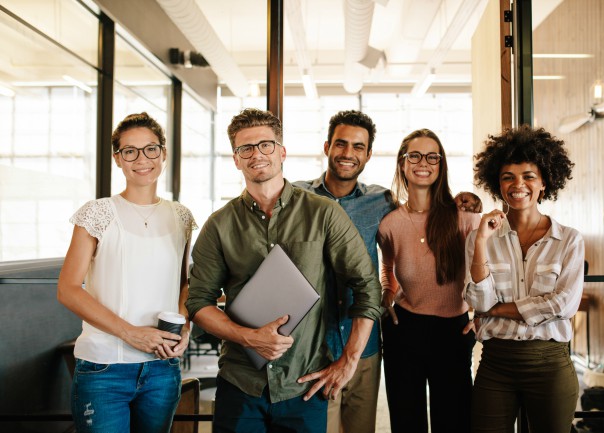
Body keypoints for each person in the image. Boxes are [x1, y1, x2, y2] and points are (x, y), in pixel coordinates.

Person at [185, 108, 382, 433]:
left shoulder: (324, 213)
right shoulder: (219, 225)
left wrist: (348, 362)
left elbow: (367, 287)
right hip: (240, 383)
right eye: (245, 148)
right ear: (236, 159)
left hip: (304, 384)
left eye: (265, 145)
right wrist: (249, 337)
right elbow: (199, 303)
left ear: (282, 151)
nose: (256, 154)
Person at [57, 112, 196, 433]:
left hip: (162, 369)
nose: (141, 159)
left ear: (163, 154)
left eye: (150, 149)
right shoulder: (97, 212)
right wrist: (129, 332)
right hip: (104, 367)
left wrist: (183, 330)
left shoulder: (181, 216)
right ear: (117, 159)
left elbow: (183, 284)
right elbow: (68, 289)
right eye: (129, 151)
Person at [465, 124, 584, 433]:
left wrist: (496, 310)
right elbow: (479, 300)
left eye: (529, 176)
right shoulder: (482, 237)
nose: (519, 185)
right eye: (508, 177)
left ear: (544, 182)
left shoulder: (569, 240)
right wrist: (480, 243)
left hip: (550, 364)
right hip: (495, 363)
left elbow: (564, 305)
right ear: (497, 184)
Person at [293, 110, 392, 433]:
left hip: (363, 347)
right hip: (312, 346)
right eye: (341, 144)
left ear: (368, 154)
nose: (348, 153)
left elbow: (415, 232)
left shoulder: (381, 201)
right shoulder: (296, 197)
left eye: (358, 147)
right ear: (326, 147)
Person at [377, 128, 481, 433]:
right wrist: (386, 293)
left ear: (441, 164)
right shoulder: (390, 223)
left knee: (455, 420)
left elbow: (486, 272)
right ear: (402, 163)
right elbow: (387, 266)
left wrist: (483, 315)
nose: (424, 162)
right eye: (415, 155)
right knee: (407, 421)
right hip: (404, 328)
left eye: (432, 156)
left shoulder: (464, 216)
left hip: (453, 330)